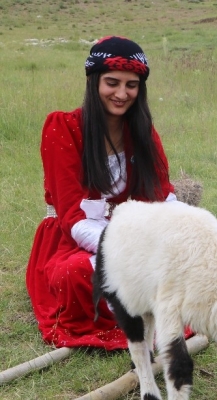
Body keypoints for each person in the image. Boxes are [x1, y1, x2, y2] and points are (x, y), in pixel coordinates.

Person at [26, 36, 177, 350]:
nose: (121, 94)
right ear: (93, 81)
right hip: (72, 239)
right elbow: (72, 215)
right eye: (112, 83)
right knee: (75, 274)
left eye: (131, 85)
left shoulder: (142, 130)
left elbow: (161, 197)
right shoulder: (62, 128)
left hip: (132, 235)